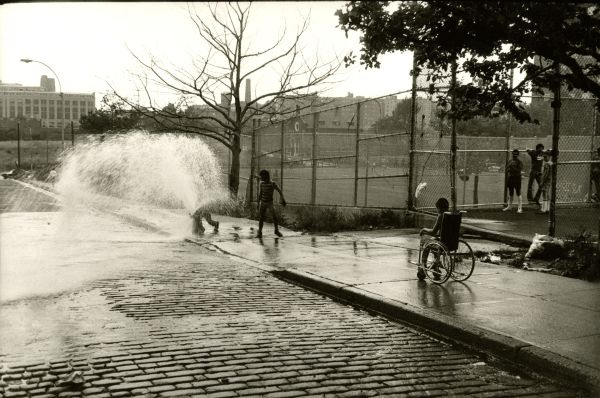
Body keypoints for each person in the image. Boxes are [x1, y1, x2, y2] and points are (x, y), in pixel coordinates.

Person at [418, 197, 450, 280]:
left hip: (441, 243)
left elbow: (433, 232)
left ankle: (423, 266)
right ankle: (436, 264)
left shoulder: (441, 216)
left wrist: (424, 229)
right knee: (434, 240)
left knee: (426, 243)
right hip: (450, 243)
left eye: (437, 209)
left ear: (439, 208)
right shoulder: (451, 216)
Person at [257, 169, 287, 238]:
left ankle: (276, 230)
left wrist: (283, 199)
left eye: (262, 176)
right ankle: (260, 232)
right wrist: (258, 203)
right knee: (261, 218)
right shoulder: (262, 184)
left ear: (266, 176)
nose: (261, 178)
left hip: (270, 203)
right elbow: (260, 194)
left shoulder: (272, 183)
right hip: (263, 203)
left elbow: (279, 191)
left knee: (274, 217)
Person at [502, 149, 524, 213]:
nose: (514, 155)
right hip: (511, 177)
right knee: (511, 192)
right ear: (512, 154)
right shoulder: (510, 161)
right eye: (514, 154)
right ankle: (509, 206)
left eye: (516, 154)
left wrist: (512, 167)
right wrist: (508, 169)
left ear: (517, 155)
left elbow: (518, 170)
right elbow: (506, 169)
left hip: (517, 178)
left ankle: (520, 208)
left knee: (518, 192)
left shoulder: (519, 162)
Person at [538, 150, 553, 214]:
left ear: (549, 156)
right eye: (544, 157)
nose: (544, 158)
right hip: (549, 180)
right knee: (547, 194)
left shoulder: (547, 164)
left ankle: (544, 209)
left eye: (546, 157)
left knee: (544, 194)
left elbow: (545, 174)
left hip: (546, 181)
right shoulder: (551, 163)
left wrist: (542, 181)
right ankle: (548, 208)